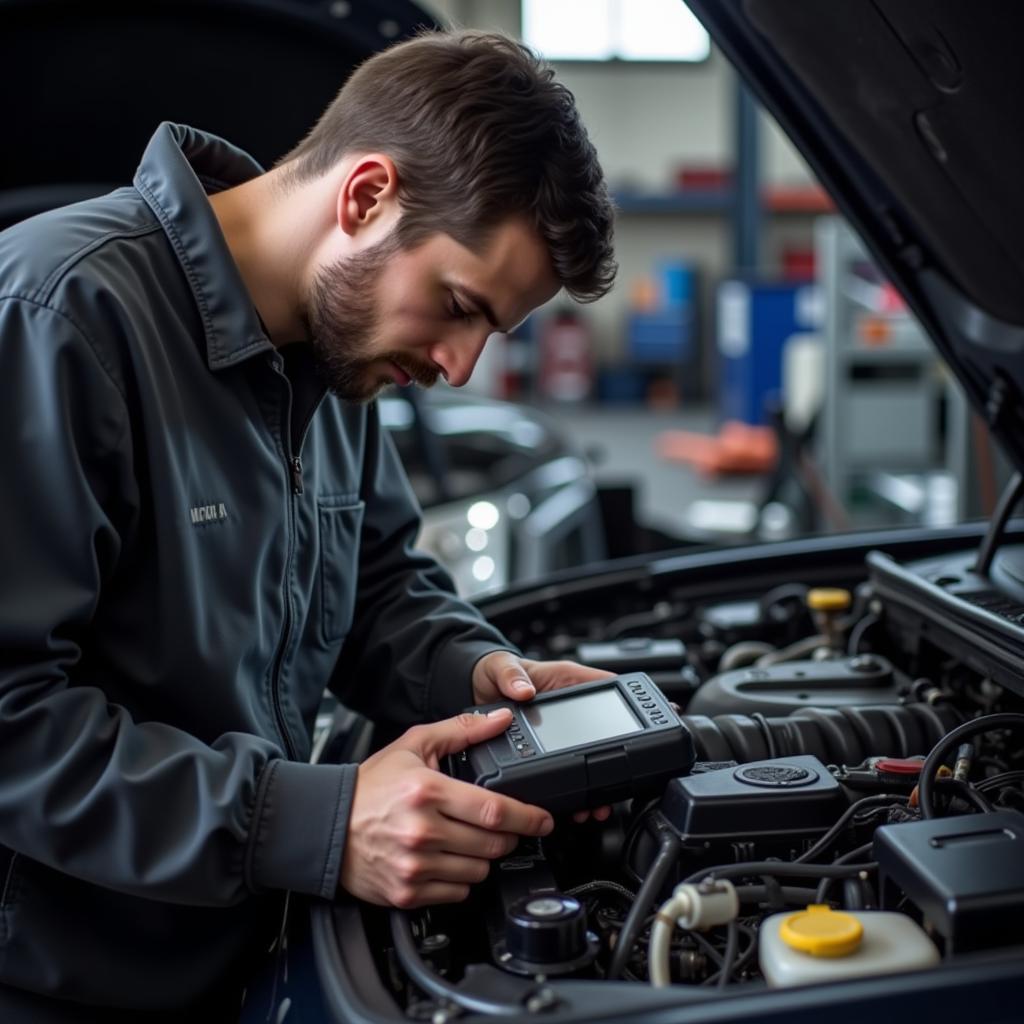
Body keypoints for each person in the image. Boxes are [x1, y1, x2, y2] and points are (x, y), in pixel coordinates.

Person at [0, 28, 616, 1022]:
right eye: (457, 304)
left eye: (488, 331)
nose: (459, 366)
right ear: (366, 196)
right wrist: (314, 821)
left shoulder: (332, 357)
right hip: (58, 983)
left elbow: (373, 584)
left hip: (243, 948)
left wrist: (480, 673)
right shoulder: (57, 316)